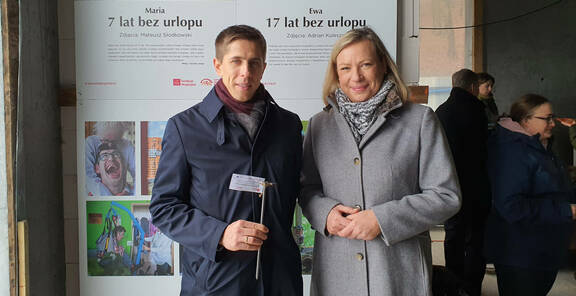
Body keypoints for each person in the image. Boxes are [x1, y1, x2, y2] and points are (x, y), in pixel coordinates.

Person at [299, 27, 460, 296]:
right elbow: (306, 189)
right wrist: (325, 213)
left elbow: (446, 196)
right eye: (345, 68)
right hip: (337, 275)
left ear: (383, 65)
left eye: (366, 65)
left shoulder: (419, 120)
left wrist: (382, 219)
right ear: (336, 73)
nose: (356, 77)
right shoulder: (319, 125)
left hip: (397, 273)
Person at [150, 25, 303, 295]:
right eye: (236, 61)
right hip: (216, 283)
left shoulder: (288, 126)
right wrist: (219, 234)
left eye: (254, 62)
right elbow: (164, 207)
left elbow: (303, 189)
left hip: (279, 281)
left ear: (264, 67)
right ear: (218, 65)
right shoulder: (185, 128)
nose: (246, 72)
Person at [484, 94, 576, 295]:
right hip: (521, 255)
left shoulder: (539, 146)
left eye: (553, 118)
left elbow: (554, 187)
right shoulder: (513, 151)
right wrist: (566, 210)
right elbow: (511, 206)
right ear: (525, 121)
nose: (553, 124)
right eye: (547, 119)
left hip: (541, 250)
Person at [435, 68, 490, 296]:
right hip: (476, 184)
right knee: (475, 239)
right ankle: (473, 286)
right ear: (473, 87)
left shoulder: (441, 111)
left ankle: (454, 283)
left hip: (451, 184)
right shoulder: (478, 110)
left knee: (453, 235)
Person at [85, 121, 135, 196]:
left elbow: (138, 174)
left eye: (114, 141)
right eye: (105, 140)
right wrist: (109, 197)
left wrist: (128, 192)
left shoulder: (127, 146)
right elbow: (88, 175)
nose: (110, 145)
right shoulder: (90, 143)